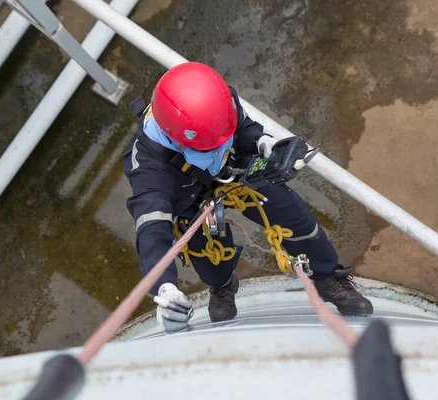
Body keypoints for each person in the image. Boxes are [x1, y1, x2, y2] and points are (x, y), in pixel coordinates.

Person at [123, 62, 373, 332]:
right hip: (188, 201)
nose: (220, 144)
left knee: (292, 215)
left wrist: (263, 143)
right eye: (211, 146)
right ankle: (222, 286)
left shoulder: (219, 104)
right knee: (211, 258)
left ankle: (326, 276)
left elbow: (242, 129)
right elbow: (152, 232)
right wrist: (165, 288)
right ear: (177, 140)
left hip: (236, 167)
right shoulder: (149, 171)